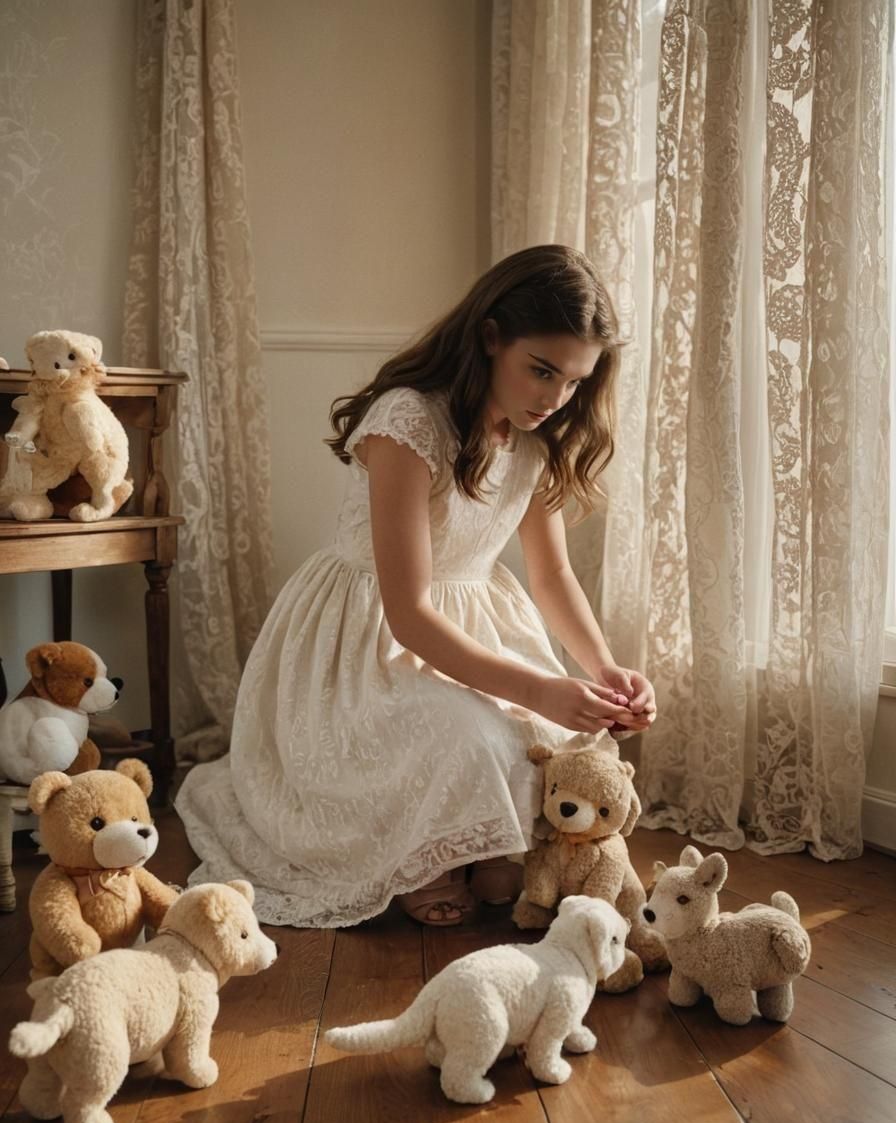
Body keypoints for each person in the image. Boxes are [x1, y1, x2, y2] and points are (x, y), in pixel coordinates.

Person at [175, 244, 656, 930]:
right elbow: (409, 614)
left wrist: (605, 672)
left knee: (548, 742)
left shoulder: (540, 437)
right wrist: (538, 686)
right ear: (491, 338)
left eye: (574, 382)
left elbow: (550, 575)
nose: (555, 398)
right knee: (472, 734)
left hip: (476, 622)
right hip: (367, 638)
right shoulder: (408, 421)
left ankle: (471, 850)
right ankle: (426, 860)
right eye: (541, 371)